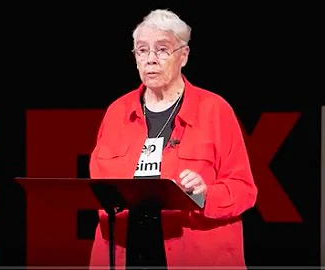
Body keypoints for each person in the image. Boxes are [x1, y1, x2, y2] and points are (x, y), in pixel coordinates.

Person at [88, 9, 258, 268]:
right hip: (126, 254)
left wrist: (205, 194)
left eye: (162, 50)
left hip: (195, 255)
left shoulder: (215, 110)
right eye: (142, 51)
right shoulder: (116, 113)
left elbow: (244, 190)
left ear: (184, 56)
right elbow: (98, 187)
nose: (150, 60)